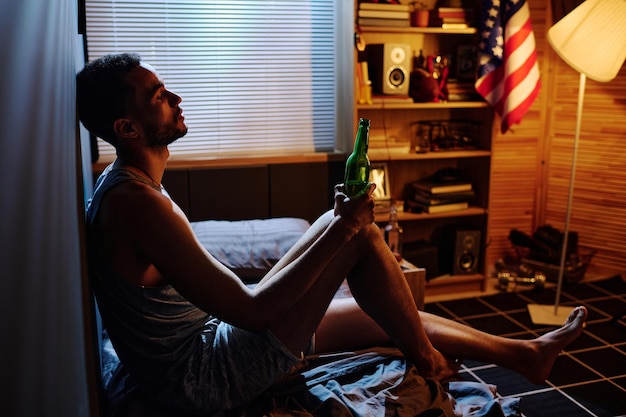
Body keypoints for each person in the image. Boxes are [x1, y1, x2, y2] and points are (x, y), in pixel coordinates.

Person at [77, 53, 588, 415]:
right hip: (205, 375)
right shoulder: (135, 204)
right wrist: (345, 229)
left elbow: (224, 292)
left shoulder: (132, 187)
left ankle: (524, 355)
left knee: (370, 283)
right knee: (358, 238)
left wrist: (330, 232)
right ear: (127, 128)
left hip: (212, 340)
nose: (176, 98)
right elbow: (252, 310)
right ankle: (430, 361)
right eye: (159, 96)